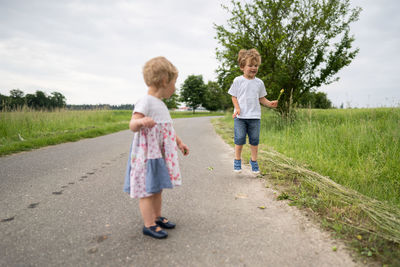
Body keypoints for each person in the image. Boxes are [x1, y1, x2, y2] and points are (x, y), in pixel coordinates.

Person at [124, 56, 189, 239]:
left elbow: (166, 129)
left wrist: (179, 143)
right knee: (147, 189)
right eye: (174, 83)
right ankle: (149, 224)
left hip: (159, 155)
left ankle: (157, 217)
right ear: (164, 81)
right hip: (147, 155)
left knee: (158, 187)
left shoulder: (160, 104)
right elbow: (132, 124)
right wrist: (141, 121)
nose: (175, 88)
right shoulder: (145, 101)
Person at [228, 48, 278, 174]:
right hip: (240, 117)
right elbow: (233, 96)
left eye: (256, 65)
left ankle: (253, 161)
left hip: (255, 117)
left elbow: (261, 98)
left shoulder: (259, 83)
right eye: (250, 65)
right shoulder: (238, 81)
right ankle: (237, 160)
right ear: (242, 67)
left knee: (254, 140)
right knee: (239, 139)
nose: (253, 68)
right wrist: (237, 108)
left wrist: (270, 104)